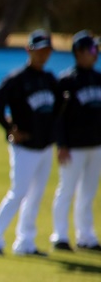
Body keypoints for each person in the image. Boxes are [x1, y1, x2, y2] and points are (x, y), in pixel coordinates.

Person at [0, 29, 59, 257]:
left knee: (35, 196)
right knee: (18, 193)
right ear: (29, 50)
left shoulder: (49, 80)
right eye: (39, 50)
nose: (43, 55)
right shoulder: (17, 79)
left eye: (46, 50)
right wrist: (10, 129)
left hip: (45, 146)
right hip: (24, 148)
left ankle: (25, 242)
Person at [50, 30, 101, 252]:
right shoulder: (66, 80)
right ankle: (60, 235)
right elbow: (58, 117)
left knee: (88, 192)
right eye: (91, 49)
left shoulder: (99, 79)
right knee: (67, 190)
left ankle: (86, 237)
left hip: (95, 145)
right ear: (79, 52)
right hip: (73, 147)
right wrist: (61, 144)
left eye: (96, 50)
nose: (95, 54)